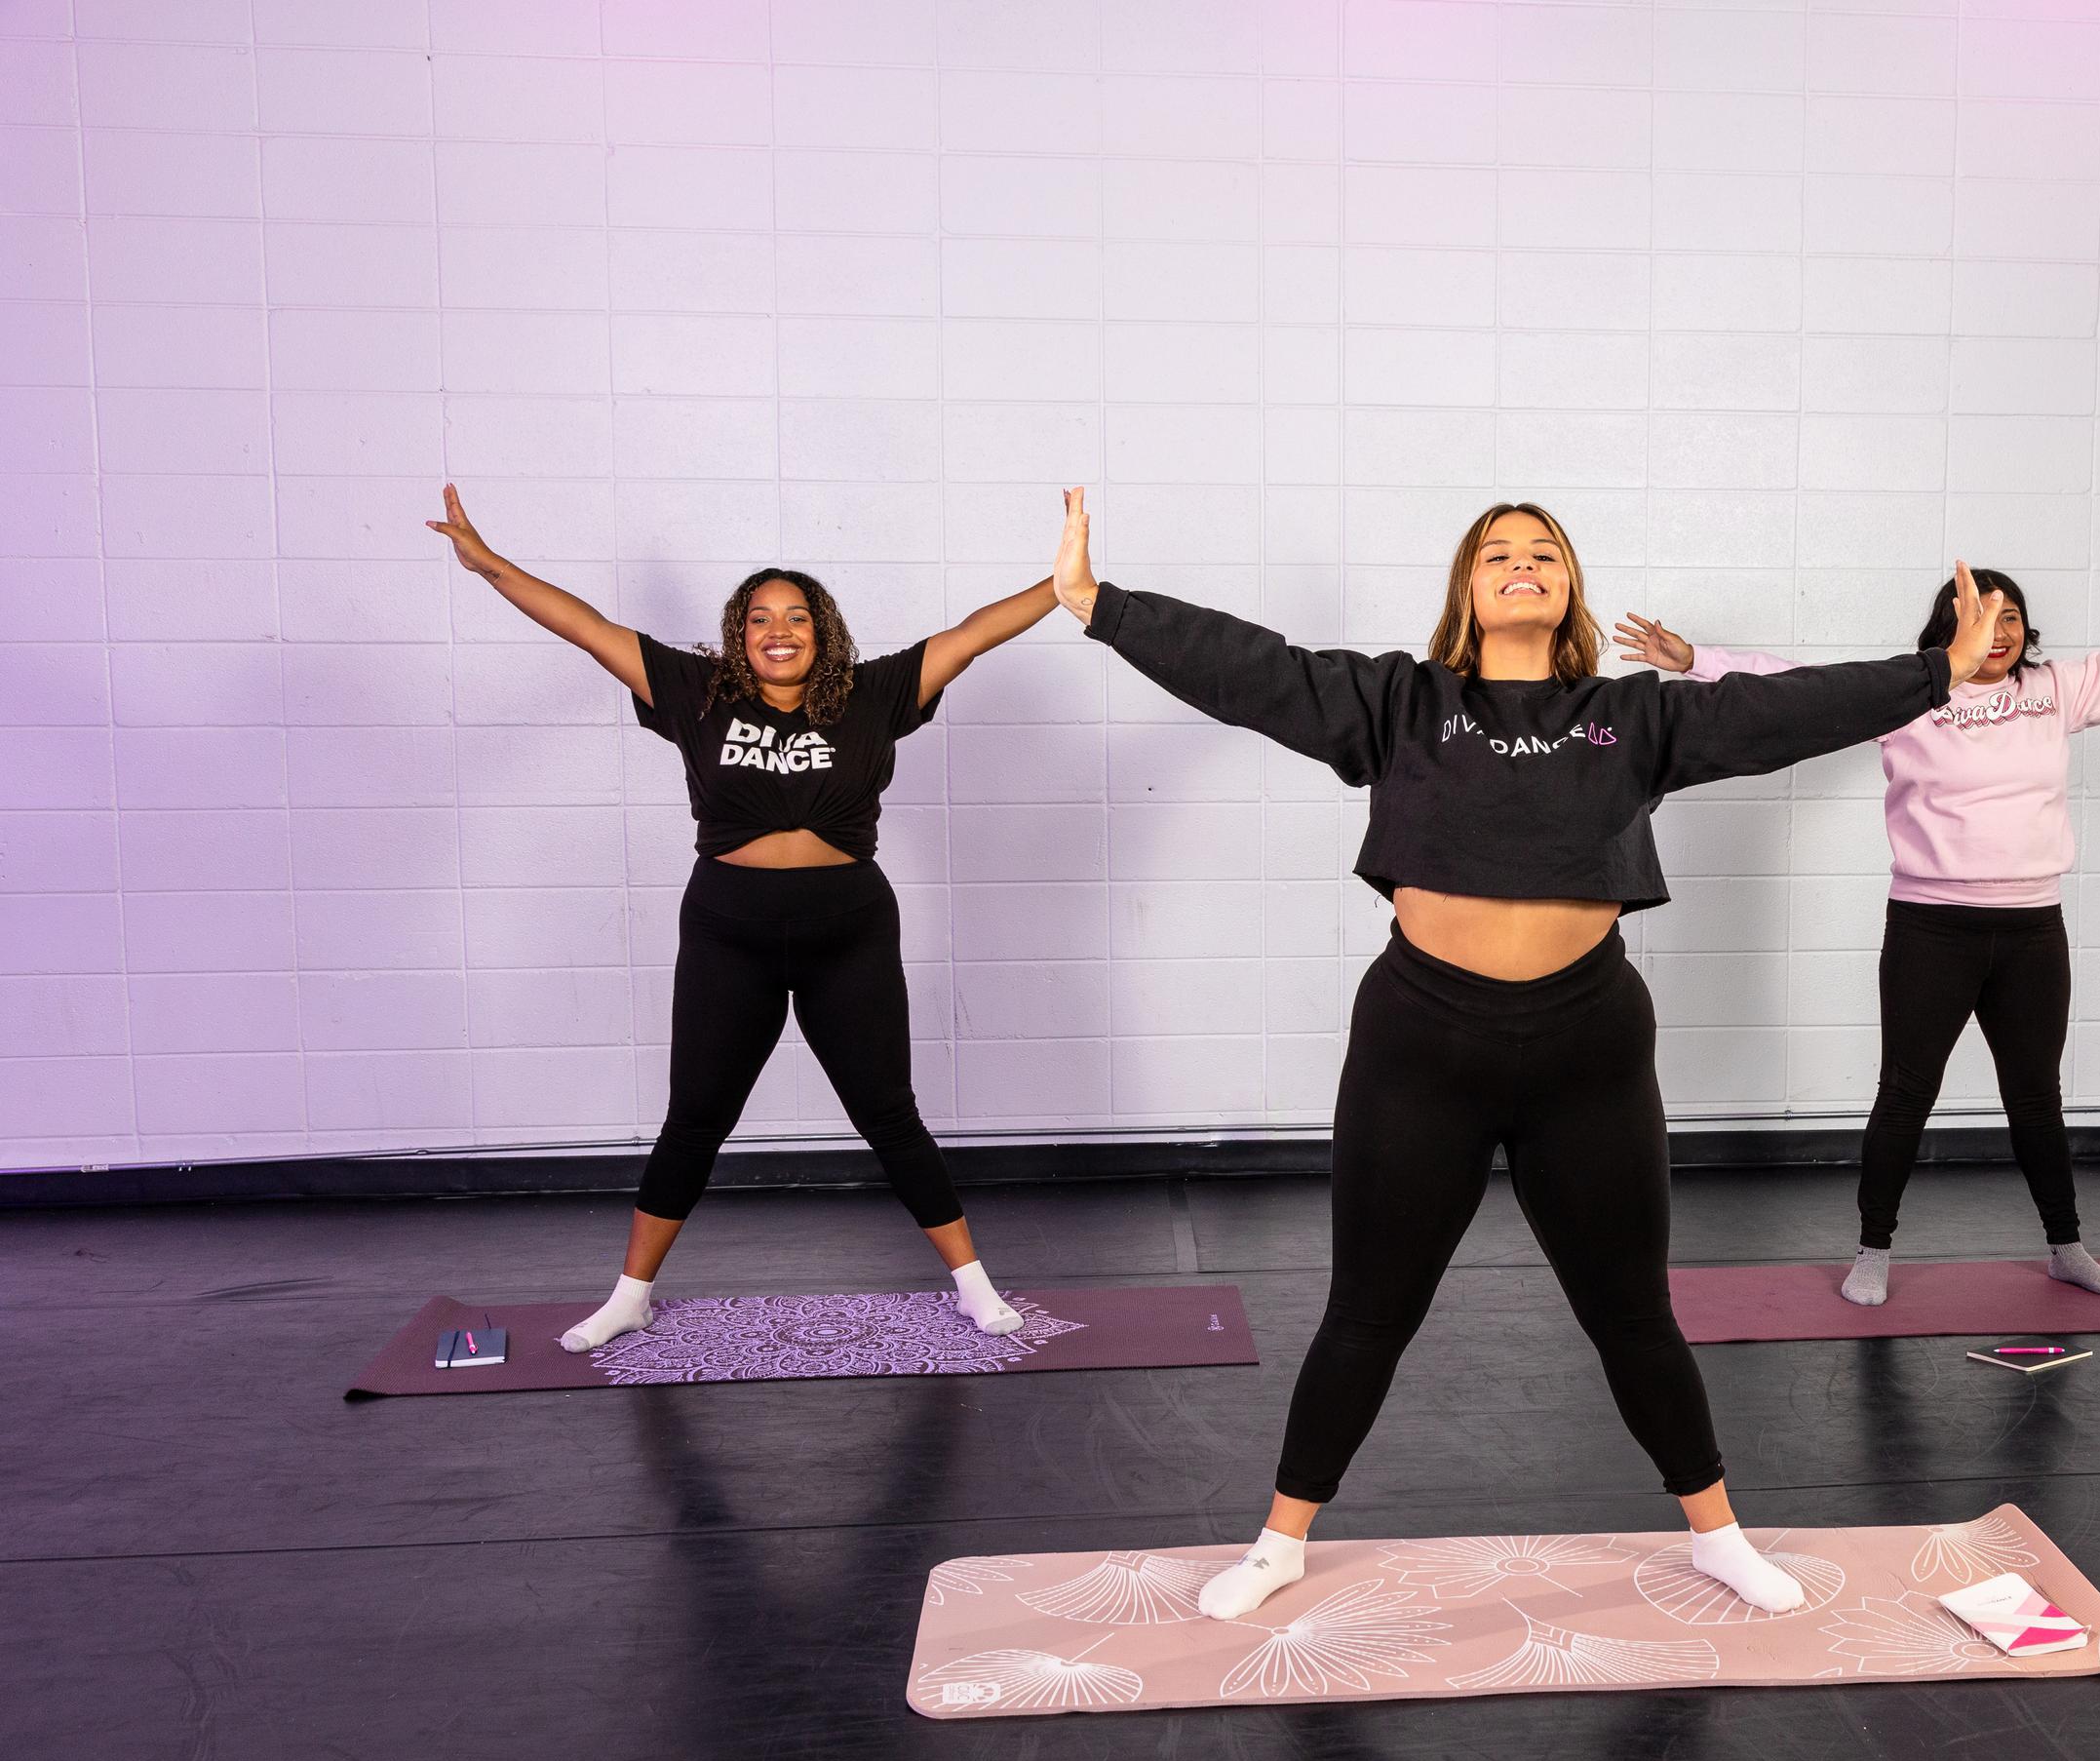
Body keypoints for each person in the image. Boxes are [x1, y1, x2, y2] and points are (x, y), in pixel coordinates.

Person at [1051, 488, 2007, 1619]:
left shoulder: (1630, 716)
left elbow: (1774, 711)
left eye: (1542, 552)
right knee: (1368, 1310)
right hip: (1421, 1044)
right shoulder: (1397, 704)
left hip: (1585, 1048)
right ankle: (1279, 1540)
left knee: (1631, 1311)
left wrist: (1934, 671)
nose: (1521, 564)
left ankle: (1716, 1533)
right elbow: (1254, 668)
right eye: (1497, 553)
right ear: (1466, 588)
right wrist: (1100, 605)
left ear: (1568, 588)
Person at [423, 485, 1066, 1350]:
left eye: (796, 617)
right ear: (739, 634)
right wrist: (491, 564)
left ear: (821, 631)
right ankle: (630, 1296)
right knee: (697, 1115)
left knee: (888, 1112)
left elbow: (975, 634)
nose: (778, 631)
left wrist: (1059, 585)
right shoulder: (695, 690)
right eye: (760, 617)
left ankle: (973, 1285)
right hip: (730, 929)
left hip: (849, 928)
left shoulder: (871, 695)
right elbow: (583, 627)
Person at [1615, 549, 2100, 1306]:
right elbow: (1798, 692)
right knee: (1906, 1093)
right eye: (1981, 615)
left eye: (2010, 614)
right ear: (1952, 630)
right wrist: (1695, 660)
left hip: (2032, 932)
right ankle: (1872, 1253)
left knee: (2035, 1098)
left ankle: (2066, 1246)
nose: (2000, 628)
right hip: (1931, 930)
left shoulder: (2057, 692)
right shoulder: (1909, 698)